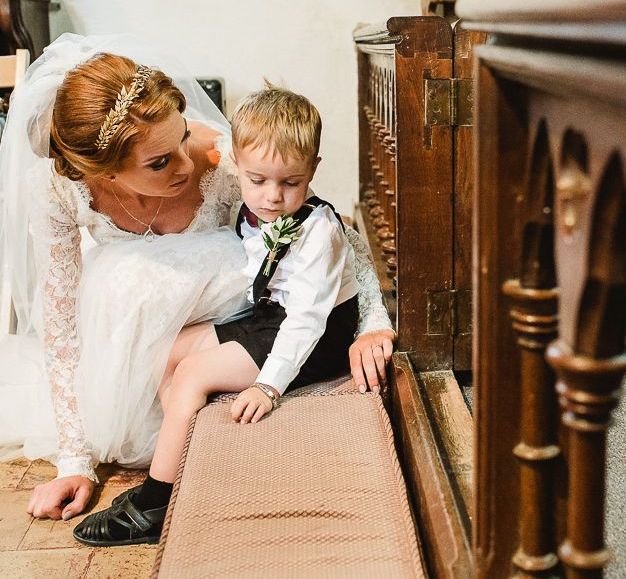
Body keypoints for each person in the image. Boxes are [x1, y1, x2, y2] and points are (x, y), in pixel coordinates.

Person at [0, 34, 394, 523]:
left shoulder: (223, 160)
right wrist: (74, 461)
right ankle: (188, 461)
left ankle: (165, 496)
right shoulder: (58, 189)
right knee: (123, 287)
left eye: (182, 134)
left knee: (184, 360)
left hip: (263, 305)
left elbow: (331, 235)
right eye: (160, 163)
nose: (188, 164)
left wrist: (372, 321)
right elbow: (60, 322)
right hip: (149, 331)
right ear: (100, 173)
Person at [74, 84, 362, 545]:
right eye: (257, 180)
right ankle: (196, 466)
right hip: (271, 316)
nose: (271, 197)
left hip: (314, 336)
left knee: (191, 374)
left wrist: (269, 385)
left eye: (290, 183)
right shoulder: (255, 206)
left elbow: (308, 319)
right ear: (238, 167)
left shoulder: (319, 230)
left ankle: (156, 501)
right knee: (165, 351)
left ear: (313, 171)